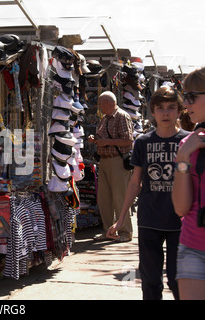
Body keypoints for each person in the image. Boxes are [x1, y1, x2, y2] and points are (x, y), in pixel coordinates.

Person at [107, 87, 189, 300]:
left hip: (181, 223)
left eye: (171, 108)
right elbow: (135, 183)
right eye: (160, 108)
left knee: (178, 280)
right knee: (151, 282)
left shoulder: (189, 142)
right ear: (152, 111)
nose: (165, 113)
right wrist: (121, 219)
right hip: (149, 220)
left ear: (179, 111)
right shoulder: (143, 142)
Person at [172, 67, 205, 300]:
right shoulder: (187, 143)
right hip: (193, 246)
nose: (186, 104)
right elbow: (181, 209)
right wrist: (183, 158)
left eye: (191, 97)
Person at [87, 91, 134, 242]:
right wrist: (96, 140)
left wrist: (106, 142)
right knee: (104, 199)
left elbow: (128, 140)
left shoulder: (122, 116)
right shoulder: (105, 119)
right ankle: (109, 230)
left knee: (120, 198)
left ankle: (125, 232)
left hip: (117, 161)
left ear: (108, 103)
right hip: (105, 161)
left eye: (101, 104)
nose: (100, 107)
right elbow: (105, 138)